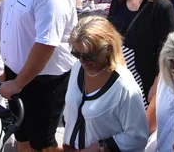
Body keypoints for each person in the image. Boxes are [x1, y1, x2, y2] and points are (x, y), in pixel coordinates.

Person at [0, 0, 76, 152]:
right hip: (19, 75)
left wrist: (18, 82)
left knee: (43, 144)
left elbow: (45, 44)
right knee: (21, 133)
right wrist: (9, 72)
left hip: (42, 81)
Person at [62, 17, 149, 151]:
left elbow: (137, 138)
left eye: (89, 56)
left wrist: (100, 147)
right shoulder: (78, 67)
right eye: (76, 54)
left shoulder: (125, 87)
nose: (82, 61)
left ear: (108, 48)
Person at [106, 0, 174, 102]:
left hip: (144, 72)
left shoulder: (162, 7)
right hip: (116, 65)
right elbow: (109, 31)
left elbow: (167, 50)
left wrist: (157, 84)